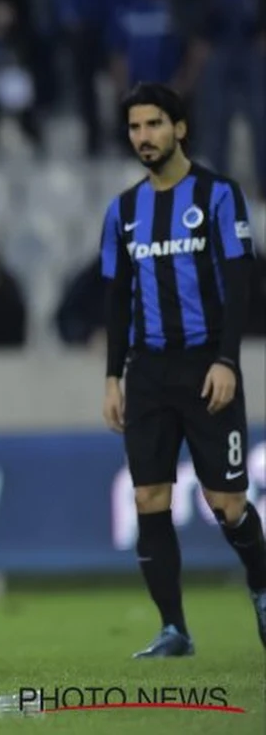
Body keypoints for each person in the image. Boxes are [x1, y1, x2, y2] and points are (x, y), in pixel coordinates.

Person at [100, 82, 266, 657]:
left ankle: (263, 588)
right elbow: (117, 297)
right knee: (149, 498)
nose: (143, 137)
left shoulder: (219, 196)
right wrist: (112, 377)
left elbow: (241, 284)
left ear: (180, 128)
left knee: (227, 505)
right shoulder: (122, 211)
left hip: (205, 365)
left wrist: (227, 360)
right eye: (135, 127)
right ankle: (174, 629)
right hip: (146, 371)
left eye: (153, 125)